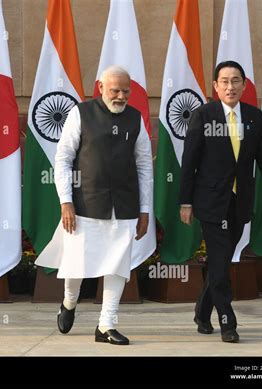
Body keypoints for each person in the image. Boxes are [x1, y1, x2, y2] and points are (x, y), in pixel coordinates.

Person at [35, 65, 153, 345]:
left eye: (126, 91)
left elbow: (144, 165)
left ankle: (106, 325)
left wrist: (145, 209)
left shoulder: (136, 119)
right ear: (100, 87)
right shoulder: (81, 113)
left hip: (123, 207)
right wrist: (65, 202)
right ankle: (69, 303)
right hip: (84, 204)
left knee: (117, 267)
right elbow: (63, 158)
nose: (121, 96)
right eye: (115, 90)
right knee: (77, 263)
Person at [179, 60, 262, 343]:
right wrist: (185, 201)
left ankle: (202, 311)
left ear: (244, 85)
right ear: (215, 86)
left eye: (236, 80)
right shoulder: (203, 115)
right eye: (224, 81)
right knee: (222, 264)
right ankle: (227, 321)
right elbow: (189, 163)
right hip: (211, 202)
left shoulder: (254, 116)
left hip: (240, 202)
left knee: (220, 261)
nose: (230, 86)